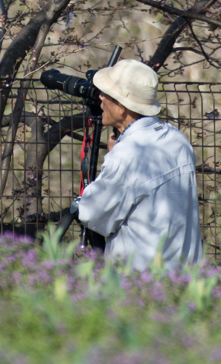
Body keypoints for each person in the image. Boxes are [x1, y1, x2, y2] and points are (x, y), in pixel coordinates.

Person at [77, 58, 202, 270]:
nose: (99, 97)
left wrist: (113, 157)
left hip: (140, 283)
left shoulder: (127, 153)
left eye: (106, 93)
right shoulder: (177, 139)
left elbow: (92, 213)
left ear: (122, 107)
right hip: (184, 274)